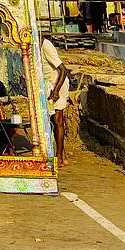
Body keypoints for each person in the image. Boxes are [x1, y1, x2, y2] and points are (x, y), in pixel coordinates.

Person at [40, 36, 70, 167]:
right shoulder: (33, 47)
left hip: (58, 84)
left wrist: (56, 91)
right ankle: (60, 152)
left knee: (57, 120)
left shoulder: (46, 46)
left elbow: (63, 70)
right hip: (47, 86)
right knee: (49, 120)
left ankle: (59, 157)